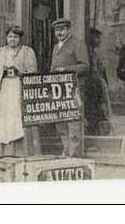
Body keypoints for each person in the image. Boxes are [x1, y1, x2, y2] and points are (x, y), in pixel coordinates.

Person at [0, 25, 39, 156]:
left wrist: (20, 72)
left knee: (17, 116)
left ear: (20, 38)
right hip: (4, 87)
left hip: (19, 87)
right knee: (3, 117)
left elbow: (33, 71)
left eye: (15, 37)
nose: (12, 39)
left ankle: (20, 151)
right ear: (6, 38)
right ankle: (3, 151)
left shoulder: (27, 51)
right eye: (10, 36)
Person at [49, 18, 88, 157]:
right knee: (61, 121)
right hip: (59, 89)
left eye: (62, 30)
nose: (59, 33)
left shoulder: (77, 43)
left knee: (73, 121)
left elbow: (84, 66)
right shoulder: (56, 47)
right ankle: (66, 151)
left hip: (73, 89)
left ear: (68, 30)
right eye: (56, 30)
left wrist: (66, 69)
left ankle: (75, 154)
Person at [84, 27, 112, 135]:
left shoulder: (94, 53)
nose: (99, 41)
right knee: (95, 112)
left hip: (98, 85)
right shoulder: (89, 54)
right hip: (93, 87)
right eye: (97, 38)